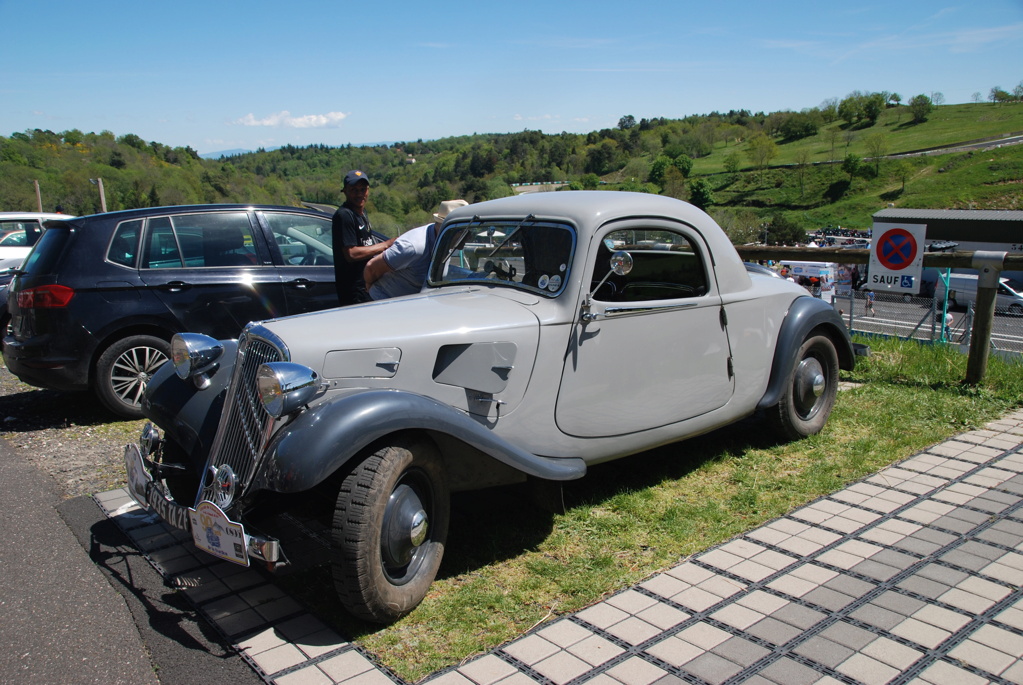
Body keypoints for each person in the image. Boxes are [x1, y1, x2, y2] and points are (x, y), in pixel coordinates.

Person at [364, 199, 469, 300]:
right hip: (383, 302)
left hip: (411, 303)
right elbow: (371, 268)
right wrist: (370, 288)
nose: (468, 237)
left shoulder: (444, 241)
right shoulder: (413, 247)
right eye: (464, 232)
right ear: (450, 231)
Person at [331, 170, 395, 305]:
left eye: (363, 189)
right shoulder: (344, 215)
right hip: (353, 290)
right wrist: (385, 245)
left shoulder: (362, 213)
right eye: (354, 190)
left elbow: (367, 245)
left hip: (366, 285)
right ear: (345, 191)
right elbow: (351, 253)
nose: (359, 194)